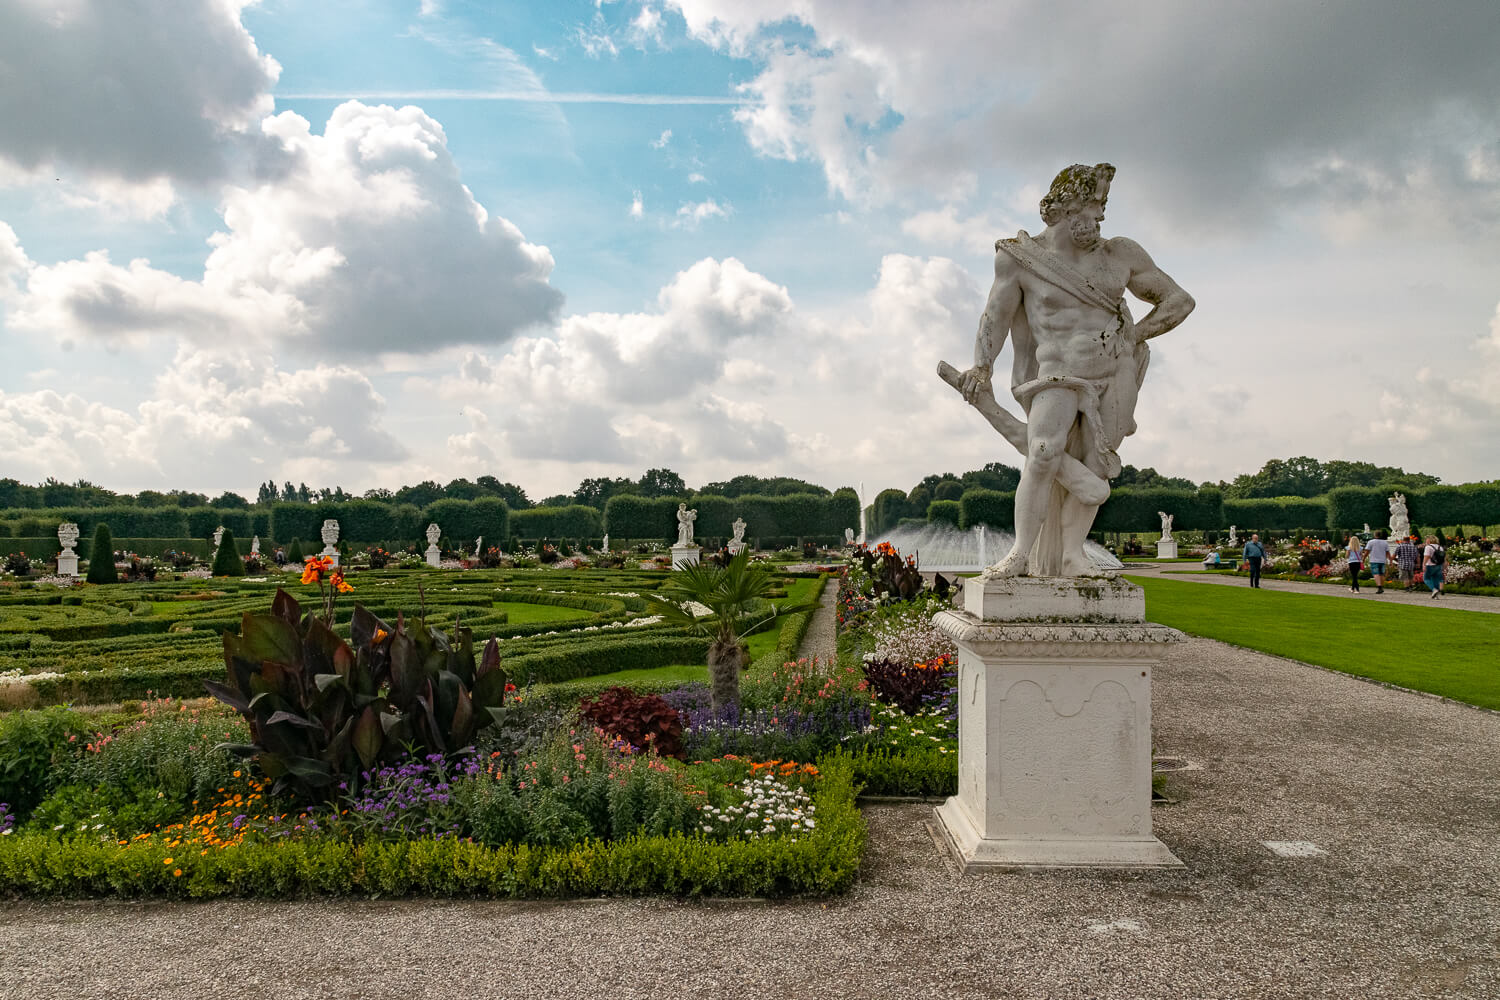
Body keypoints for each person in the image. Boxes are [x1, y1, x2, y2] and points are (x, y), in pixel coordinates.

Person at [957, 163, 1195, 577]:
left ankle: (1072, 555)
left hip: (1116, 372)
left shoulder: (1121, 254)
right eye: (1095, 204)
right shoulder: (1020, 259)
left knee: (1098, 465)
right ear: (1067, 207)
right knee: (1043, 454)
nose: (1101, 215)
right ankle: (1020, 555)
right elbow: (994, 316)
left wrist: (1135, 334)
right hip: (1056, 371)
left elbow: (1179, 301)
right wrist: (982, 366)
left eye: (1103, 205)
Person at [1363, 529, 1390, 595]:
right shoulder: (1385, 542)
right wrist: (1390, 560)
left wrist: (1363, 558)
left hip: (1374, 560)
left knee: (1376, 573)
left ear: (1374, 535)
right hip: (1382, 560)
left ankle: (1379, 587)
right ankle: (1381, 586)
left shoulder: (1371, 542)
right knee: (1382, 574)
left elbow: (1367, 552)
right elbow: (1387, 553)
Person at [1421, 534, 1446, 599]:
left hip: (1430, 565)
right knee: (1435, 580)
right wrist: (1444, 565)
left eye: (1427, 539)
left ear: (1429, 540)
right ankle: (1436, 595)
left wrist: (1423, 564)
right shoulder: (1440, 547)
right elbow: (1443, 557)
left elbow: (1426, 556)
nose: (1426, 540)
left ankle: (1434, 590)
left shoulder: (1428, 547)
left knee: (1426, 579)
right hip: (1438, 565)